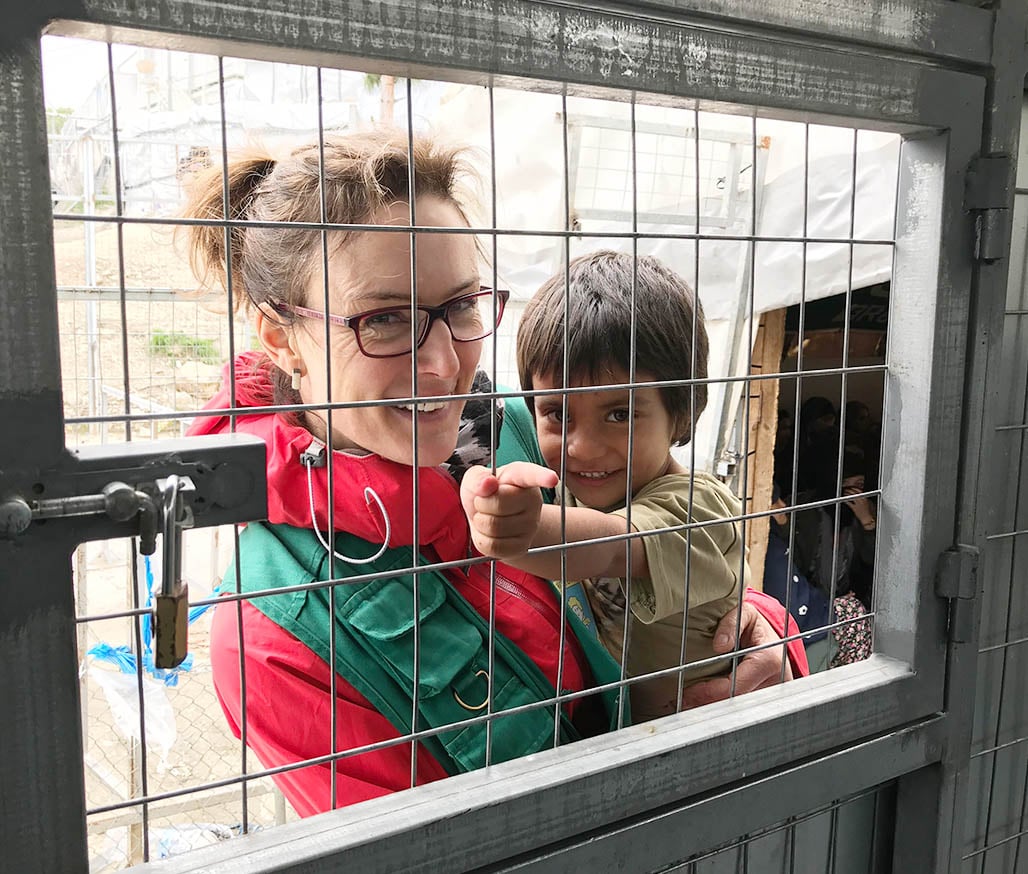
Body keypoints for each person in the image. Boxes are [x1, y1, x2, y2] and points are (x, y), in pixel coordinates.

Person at [183, 131, 806, 817]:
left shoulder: (529, 430)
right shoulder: (274, 634)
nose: (445, 363)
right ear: (280, 338)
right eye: (385, 320)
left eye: (459, 306)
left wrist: (769, 648)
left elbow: (688, 543)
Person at [461, 251, 808, 722]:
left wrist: (516, 527)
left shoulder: (701, 506)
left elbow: (609, 545)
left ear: (681, 414)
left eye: (620, 414)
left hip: (707, 746)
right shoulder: (574, 484)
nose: (581, 446)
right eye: (558, 414)